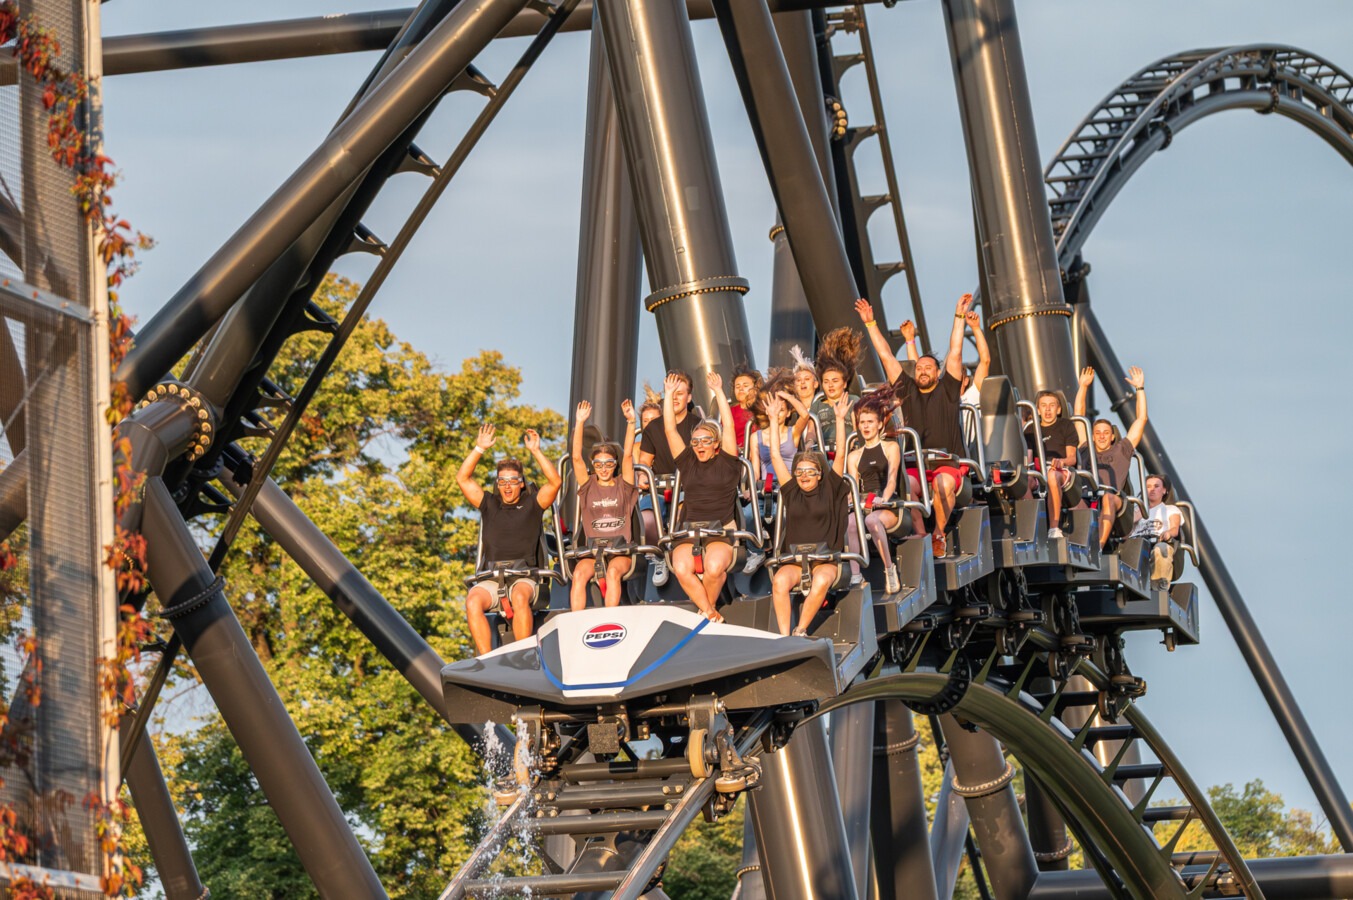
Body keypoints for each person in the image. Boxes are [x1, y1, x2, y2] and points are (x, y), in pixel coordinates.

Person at [857, 293, 972, 558]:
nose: (922, 371)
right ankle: (920, 533)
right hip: (915, 465)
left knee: (942, 484)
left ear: (937, 372)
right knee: (905, 485)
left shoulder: (949, 389)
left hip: (946, 465)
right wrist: (871, 324)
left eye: (928, 368)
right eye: (918, 367)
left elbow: (955, 351)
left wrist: (959, 316)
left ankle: (938, 534)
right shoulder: (907, 389)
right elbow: (886, 355)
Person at [456, 424, 562, 656]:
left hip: (525, 577)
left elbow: (555, 482)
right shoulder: (489, 504)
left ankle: (520, 654)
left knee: (519, 595)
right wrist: (479, 448)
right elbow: (462, 478)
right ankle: (486, 659)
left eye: (512, 481)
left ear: (521, 483)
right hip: (493, 577)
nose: (507, 486)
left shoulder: (532, 504)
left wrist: (536, 451)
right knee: (473, 599)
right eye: (502, 481)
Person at [763, 395, 850, 636]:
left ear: (820, 474)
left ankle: (800, 629)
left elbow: (841, 454)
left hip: (825, 560)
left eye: (810, 471)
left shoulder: (831, 489)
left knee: (821, 580)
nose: (803, 476)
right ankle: (784, 635)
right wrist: (772, 420)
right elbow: (775, 457)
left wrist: (840, 420)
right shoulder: (792, 492)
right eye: (799, 471)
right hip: (796, 559)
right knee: (779, 582)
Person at [665, 371, 744, 622]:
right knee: (681, 567)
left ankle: (703, 614)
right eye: (695, 441)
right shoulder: (688, 463)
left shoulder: (727, 462)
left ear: (716, 444)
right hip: (690, 529)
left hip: (721, 529)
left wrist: (719, 391)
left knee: (713, 569)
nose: (699, 445)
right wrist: (668, 395)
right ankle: (709, 613)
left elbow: (729, 425)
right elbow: (670, 430)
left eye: (706, 440)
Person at [568, 399, 641, 611]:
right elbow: (575, 458)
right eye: (599, 464)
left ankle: (609, 617)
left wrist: (631, 422)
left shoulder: (623, 486)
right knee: (580, 573)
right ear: (593, 466)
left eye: (609, 464)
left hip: (620, 551)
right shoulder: (588, 485)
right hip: (594, 550)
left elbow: (628, 456)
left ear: (614, 465)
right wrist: (580, 422)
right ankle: (576, 621)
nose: (604, 468)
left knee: (612, 573)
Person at [846, 390, 919, 593]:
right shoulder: (854, 455)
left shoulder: (890, 447)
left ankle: (889, 569)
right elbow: (853, 485)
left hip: (887, 503)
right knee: (851, 522)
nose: (866, 426)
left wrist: (883, 499)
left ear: (879, 424)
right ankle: (855, 574)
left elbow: (893, 477)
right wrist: (851, 501)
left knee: (871, 521)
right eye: (862, 422)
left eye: (870, 422)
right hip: (865, 502)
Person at [1073, 365, 1148, 549]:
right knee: (1071, 497)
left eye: (1106, 433)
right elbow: (1078, 416)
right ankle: (1072, 542)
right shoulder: (1085, 448)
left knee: (1107, 498)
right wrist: (1082, 387)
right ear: (1092, 435)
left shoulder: (1121, 450)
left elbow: (1141, 420)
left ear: (1112, 436)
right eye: (1097, 432)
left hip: (1113, 500)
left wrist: (1139, 389)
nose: (1101, 436)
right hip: (1087, 496)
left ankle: (1098, 546)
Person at [638, 373, 699, 586]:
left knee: (684, 514)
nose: (674, 398)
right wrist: (642, 475)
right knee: (647, 521)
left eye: (679, 394)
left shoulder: (697, 425)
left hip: (687, 487)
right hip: (658, 487)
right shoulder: (654, 427)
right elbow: (644, 461)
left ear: (689, 397)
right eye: (671, 393)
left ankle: (685, 557)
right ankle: (658, 557)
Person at [1024, 390, 1081, 542]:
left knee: (1052, 475)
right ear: (1038, 409)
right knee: (1024, 481)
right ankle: (1035, 526)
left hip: (1061, 470)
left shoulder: (1066, 425)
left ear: (1059, 409)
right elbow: (1028, 458)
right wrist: (1027, 472)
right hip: (1039, 471)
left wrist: (1061, 461)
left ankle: (1054, 528)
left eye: (1051, 405)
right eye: (1043, 406)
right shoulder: (1030, 428)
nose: (1048, 410)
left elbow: (1072, 458)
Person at [809, 327, 861, 456]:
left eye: (835, 381)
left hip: (849, 447)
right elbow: (812, 430)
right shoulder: (817, 405)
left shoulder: (854, 400)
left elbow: (857, 428)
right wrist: (809, 442)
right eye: (826, 382)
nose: (830, 385)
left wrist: (853, 443)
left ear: (844, 383)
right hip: (824, 449)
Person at [1134, 474, 1182, 587]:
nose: (1152, 490)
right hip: (1136, 543)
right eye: (1148, 486)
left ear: (1164, 490)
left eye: (1156, 486)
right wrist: (1137, 514)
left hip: (1157, 541)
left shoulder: (1170, 509)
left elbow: (1175, 529)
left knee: (1161, 549)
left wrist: (1168, 533)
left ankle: (1159, 585)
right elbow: (1126, 530)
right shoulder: (1136, 509)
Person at [731, 365, 763, 455]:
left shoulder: (763, 409)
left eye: (745, 385)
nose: (741, 389)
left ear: (756, 388)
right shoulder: (730, 411)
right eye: (737, 386)